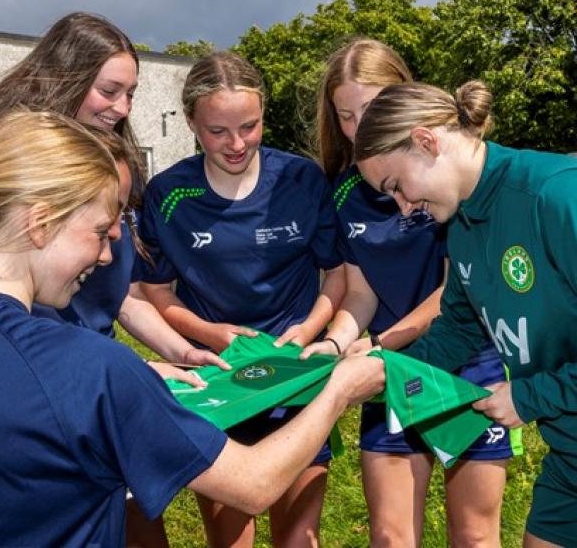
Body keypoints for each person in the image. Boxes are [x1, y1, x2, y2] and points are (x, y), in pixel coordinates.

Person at [0, 109, 385, 547]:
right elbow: (251, 485)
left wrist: (139, 377)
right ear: (41, 224)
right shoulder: (89, 370)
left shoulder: (79, 373)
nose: (106, 258)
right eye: (100, 232)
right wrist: (339, 389)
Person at [0, 11, 228, 547]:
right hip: (37, 391)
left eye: (132, 93)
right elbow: (251, 483)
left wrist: (177, 353)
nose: (122, 108)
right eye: (109, 90)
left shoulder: (113, 165)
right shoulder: (15, 167)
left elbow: (121, 292)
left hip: (94, 377)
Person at [303, 38, 518, 547]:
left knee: (474, 536)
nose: (359, 129)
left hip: (465, 364)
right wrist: (336, 345)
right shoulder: (344, 192)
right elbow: (359, 293)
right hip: (391, 373)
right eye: (346, 116)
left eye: (374, 108)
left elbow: (454, 295)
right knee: (392, 537)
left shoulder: (450, 182)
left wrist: (379, 348)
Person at [353, 78, 577, 548]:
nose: (404, 206)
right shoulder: (462, 225)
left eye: (397, 185)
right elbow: (457, 328)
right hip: (569, 454)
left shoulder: (555, 195)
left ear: (426, 141)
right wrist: (380, 372)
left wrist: (530, 397)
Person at [136, 51, 345, 547]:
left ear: (263, 115)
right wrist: (209, 334)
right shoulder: (167, 194)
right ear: (189, 121)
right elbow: (156, 294)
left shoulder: (302, 179)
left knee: (298, 540)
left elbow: (335, 276)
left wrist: (309, 331)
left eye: (249, 127)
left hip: (295, 377)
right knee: (231, 541)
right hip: (218, 384)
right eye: (217, 131)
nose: (236, 144)